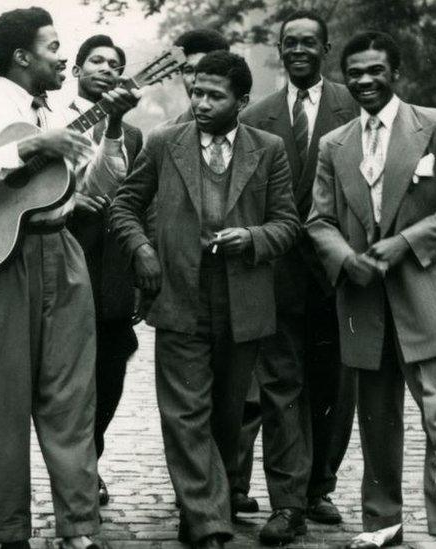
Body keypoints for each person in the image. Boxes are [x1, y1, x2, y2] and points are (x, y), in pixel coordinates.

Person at [0, 7, 139, 548]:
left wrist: (113, 126)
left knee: (73, 396)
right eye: (52, 47)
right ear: (22, 56)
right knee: (1, 402)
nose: (62, 56)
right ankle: (10, 533)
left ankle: (77, 530)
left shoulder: (60, 116)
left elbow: (96, 188)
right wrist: (28, 147)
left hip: (63, 254)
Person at [111, 51, 299, 549]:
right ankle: (211, 524)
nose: (201, 102)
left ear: (242, 100)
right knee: (185, 413)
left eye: (214, 95)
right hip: (180, 298)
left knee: (225, 415)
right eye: (196, 92)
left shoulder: (269, 148)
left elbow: (288, 224)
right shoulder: (164, 143)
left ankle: (200, 507)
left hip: (242, 301)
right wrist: (143, 250)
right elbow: (125, 205)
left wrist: (252, 238)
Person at [306, 30, 436, 549]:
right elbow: (318, 221)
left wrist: (405, 242)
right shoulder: (334, 144)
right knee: (377, 420)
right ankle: (382, 523)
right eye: (354, 72)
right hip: (364, 303)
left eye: (375, 71)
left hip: (429, 298)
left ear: (396, 73)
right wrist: (347, 260)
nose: (364, 81)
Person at [237, 10, 360, 541]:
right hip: (280, 276)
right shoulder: (259, 116)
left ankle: (318, 488)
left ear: (326, 49)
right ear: (280, 49)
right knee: (282, 387)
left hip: (339, 276)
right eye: (291, 43)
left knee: (332, 383)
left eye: (310, 42)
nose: (300, 50)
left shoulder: (354, 108)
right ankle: (287, 503)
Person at [65, 33, 144, 508]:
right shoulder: (53, 119)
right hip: (64, 254)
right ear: (76, 70)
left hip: (111, 267)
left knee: (110, 370)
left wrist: (136, 273)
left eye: (116, 64)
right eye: (96, 61)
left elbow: (136, 203)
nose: (107, 69)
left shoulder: (131, 136)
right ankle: (71, 468)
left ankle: (90, 459)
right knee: (67, 376)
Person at [168, 29, 230, 125]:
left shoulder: (251, 124)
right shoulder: (166, 134)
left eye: (204, 69)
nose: (195, 79)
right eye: (188, 71)